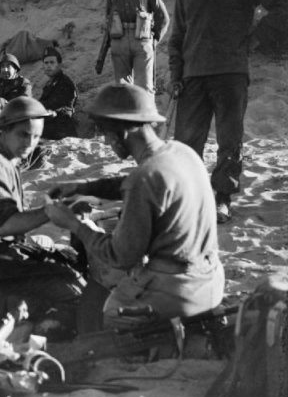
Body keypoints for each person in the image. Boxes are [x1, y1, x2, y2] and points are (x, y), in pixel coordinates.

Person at [45, 83, 224, 331]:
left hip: (180, 291)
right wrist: (83, 186)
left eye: (106, 133)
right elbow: (144, 184)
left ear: (123, 132)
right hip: (211, 278)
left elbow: (119, 256)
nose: (106, 141)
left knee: (106, 314)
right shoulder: (181, 152)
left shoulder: (143, 179)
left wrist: (75, 224)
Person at [169, 0, 288, 223]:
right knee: (186, 142)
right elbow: (177, 37)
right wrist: (175, 73)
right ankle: (190, 199)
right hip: (192, 75)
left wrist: (257, 38)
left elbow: (283, 4)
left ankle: (222, 199)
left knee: (229, 141)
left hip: (231, 74)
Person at [0, 96, 82, 333]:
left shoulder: (4, 160)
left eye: (36, 137)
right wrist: (51, 212)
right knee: (73, 285)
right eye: (24, 135)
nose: (31, 143)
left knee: (62, 256)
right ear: (4, 131)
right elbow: (6, 224)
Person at [104, 0, 169, 93]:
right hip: (119, 42)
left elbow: (163, 18)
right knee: (122, 89)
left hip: (142, 41)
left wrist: (154, 40)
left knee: (144, 89)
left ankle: (145, 115)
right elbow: (108, 22)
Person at [39, 46, 78, 139]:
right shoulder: (49, 84)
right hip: (49, 127)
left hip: (61, 130)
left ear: (59, 65)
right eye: (46, 63)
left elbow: (52, 105)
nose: (48, 66)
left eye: (52, 62)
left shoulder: (65, 82)